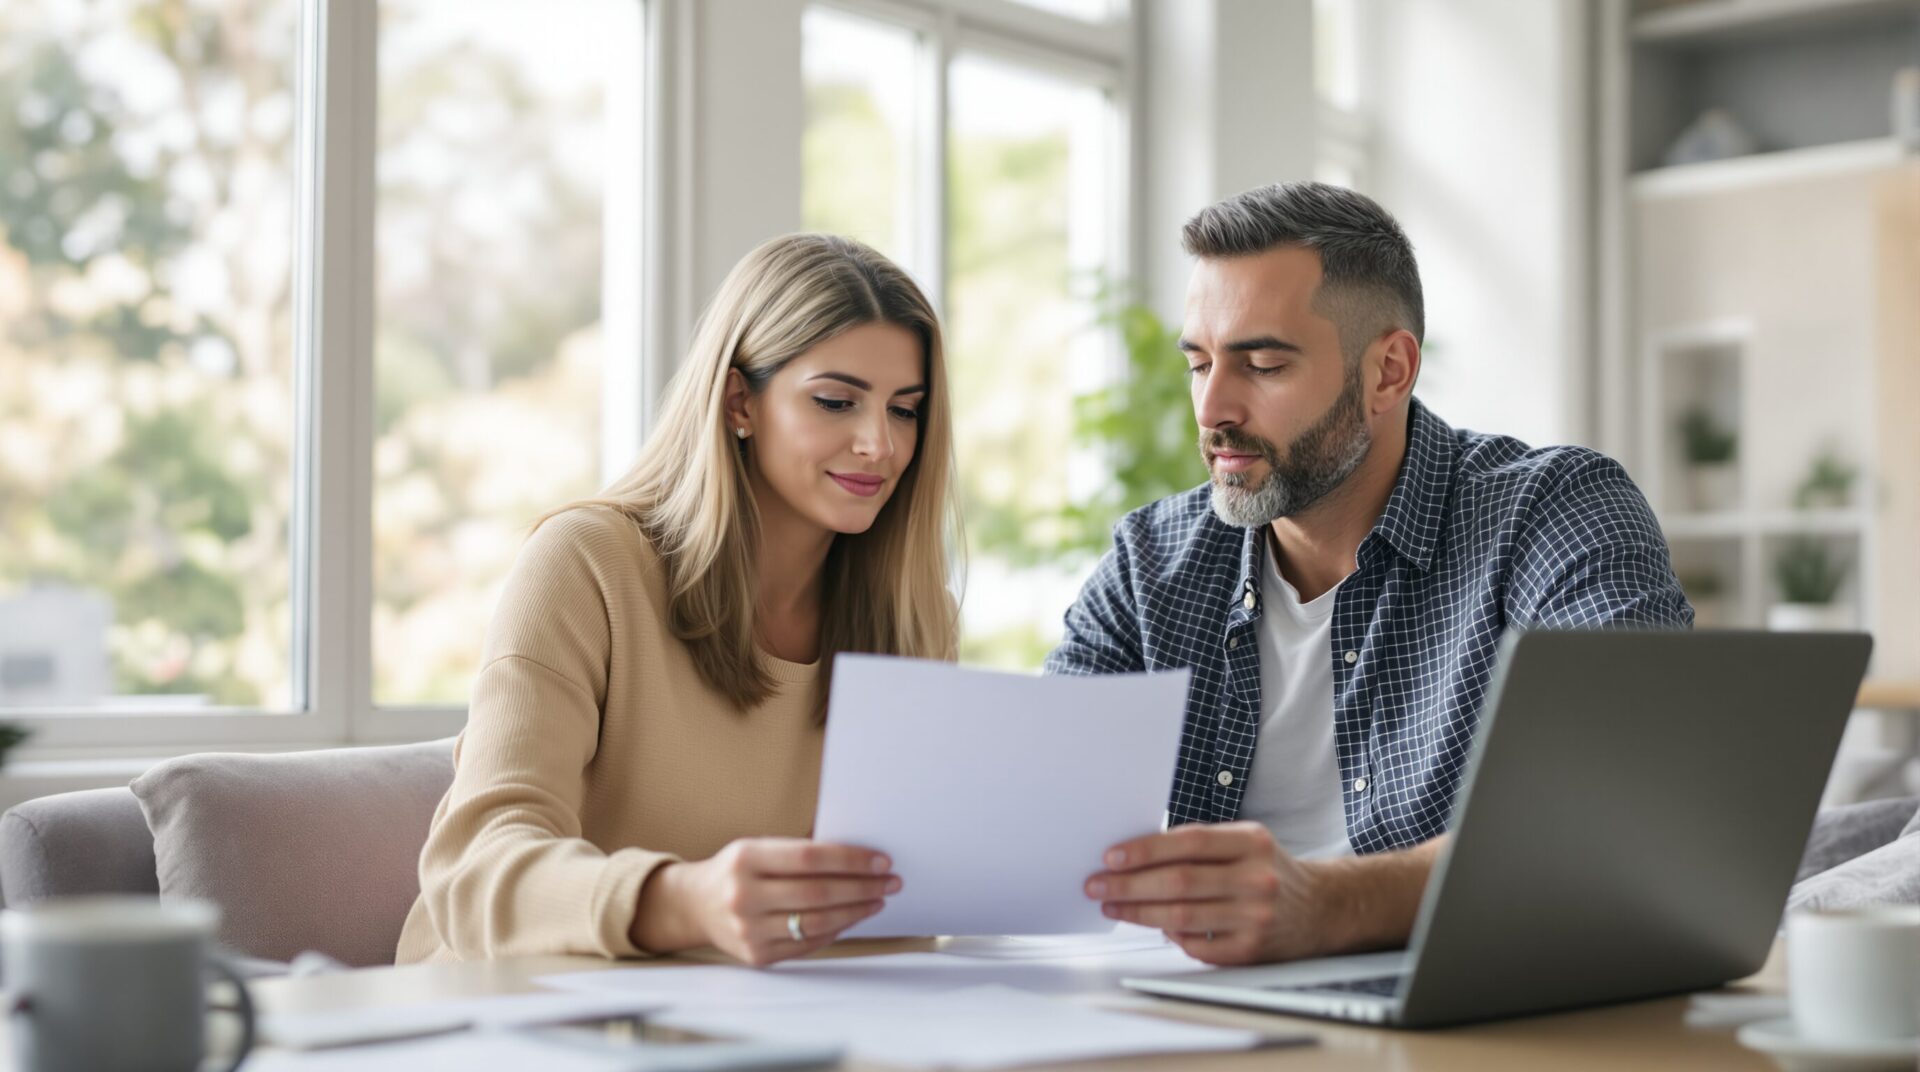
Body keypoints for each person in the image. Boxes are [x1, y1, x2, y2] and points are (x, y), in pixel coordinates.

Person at [1054, 182, 1692, 966]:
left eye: (1261, 364)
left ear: (1389, 371)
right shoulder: (1151, 561)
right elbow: (1040, 807)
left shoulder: (1551, 514)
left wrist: (1326, 905)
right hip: (1194, 1008)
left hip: (1463, 1006)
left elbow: (1633, 809)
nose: (1212, 406)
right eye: (1199, 363)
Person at [395, 233, 959, 967]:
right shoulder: (585, 565)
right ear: (739, 402)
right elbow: (477, 869)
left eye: (905, 410)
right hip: (518, 1011)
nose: (878, 445)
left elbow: (898, 916)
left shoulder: (917, 617)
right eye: (836, 402)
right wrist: (686, 901)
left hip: (763, 1024)